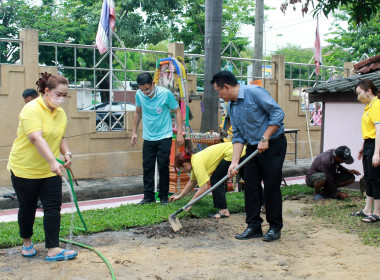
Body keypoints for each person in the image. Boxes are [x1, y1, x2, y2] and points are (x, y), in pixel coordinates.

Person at [7, 72, 77, 261]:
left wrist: (66, 154)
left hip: (49, 170)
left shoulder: (60, 113)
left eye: (65, 95)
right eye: (59, 94)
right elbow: (35, 137)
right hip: (25, 169)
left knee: (53, 206)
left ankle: (53, 248)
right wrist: (53, 161)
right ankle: (27, 243)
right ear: (47, 91)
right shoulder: (32, 109)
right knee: (27, 207)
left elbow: (59, 137)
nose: (62, 99)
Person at [211, 70, 287, 242]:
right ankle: (254, 226)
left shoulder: (254, 92)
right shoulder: (231, 106)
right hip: (252, 147)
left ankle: (275, 227)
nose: (219, 95)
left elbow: (278, 113)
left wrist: (265, 137)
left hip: (273, 144)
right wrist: (234, 163)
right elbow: (237, 136)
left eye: (218, 91)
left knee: (271, 186)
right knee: (250, 186)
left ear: (227, 86)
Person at [131, 72, 184, 205]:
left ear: (153, 84)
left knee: (163, 166)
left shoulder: (165, 94)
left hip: (164, 136)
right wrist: (134, 133)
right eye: (142, 90)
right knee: (147, 166)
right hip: (148, 137)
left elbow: (177, 110)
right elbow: (138, 112)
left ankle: (164, 197)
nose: (145, 92)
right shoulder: (139, 95)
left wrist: (179, 133)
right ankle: (148, 197)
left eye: (147, 89)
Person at [169, 142, 246, 218]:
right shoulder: (194, 159)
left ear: (185, 165)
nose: (184, 171)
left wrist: (190, 204)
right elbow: (192, 181)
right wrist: (180, 196)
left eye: (182, 169)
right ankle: (256, 205)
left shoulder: (196, 164)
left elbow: (204, 188)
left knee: (216, 180)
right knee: (249, 180)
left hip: (232, 153)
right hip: (241, 150)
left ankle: (223, 211)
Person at [351, 79, 380, 223]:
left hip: (376, 145)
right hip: (369, 144)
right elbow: (369, 130)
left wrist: (377, 152)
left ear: (368, 91)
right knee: (368, 178)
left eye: (359, 93)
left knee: (376, 179)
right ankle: (367, 209)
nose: (358, 96)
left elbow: (379, 130)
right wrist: (364, 146)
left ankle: (377, 212)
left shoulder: (377, 105)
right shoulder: (368, 106)